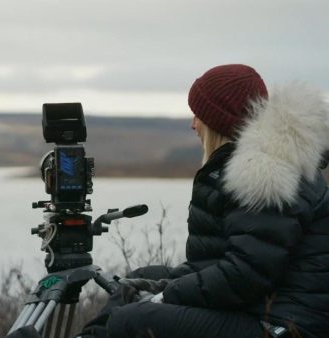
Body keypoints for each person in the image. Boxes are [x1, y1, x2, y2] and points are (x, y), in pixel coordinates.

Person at [79, 64, 329, 338]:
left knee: (133, 319)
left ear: (219, 121)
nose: (193, 124)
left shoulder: (266, 175)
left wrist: (163, 296)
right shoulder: (248, 166)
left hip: (284, 326)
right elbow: (217, 261)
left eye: (198, 115)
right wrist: (159, 285)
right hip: (260, 307)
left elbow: (246, 276)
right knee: (137, 279)